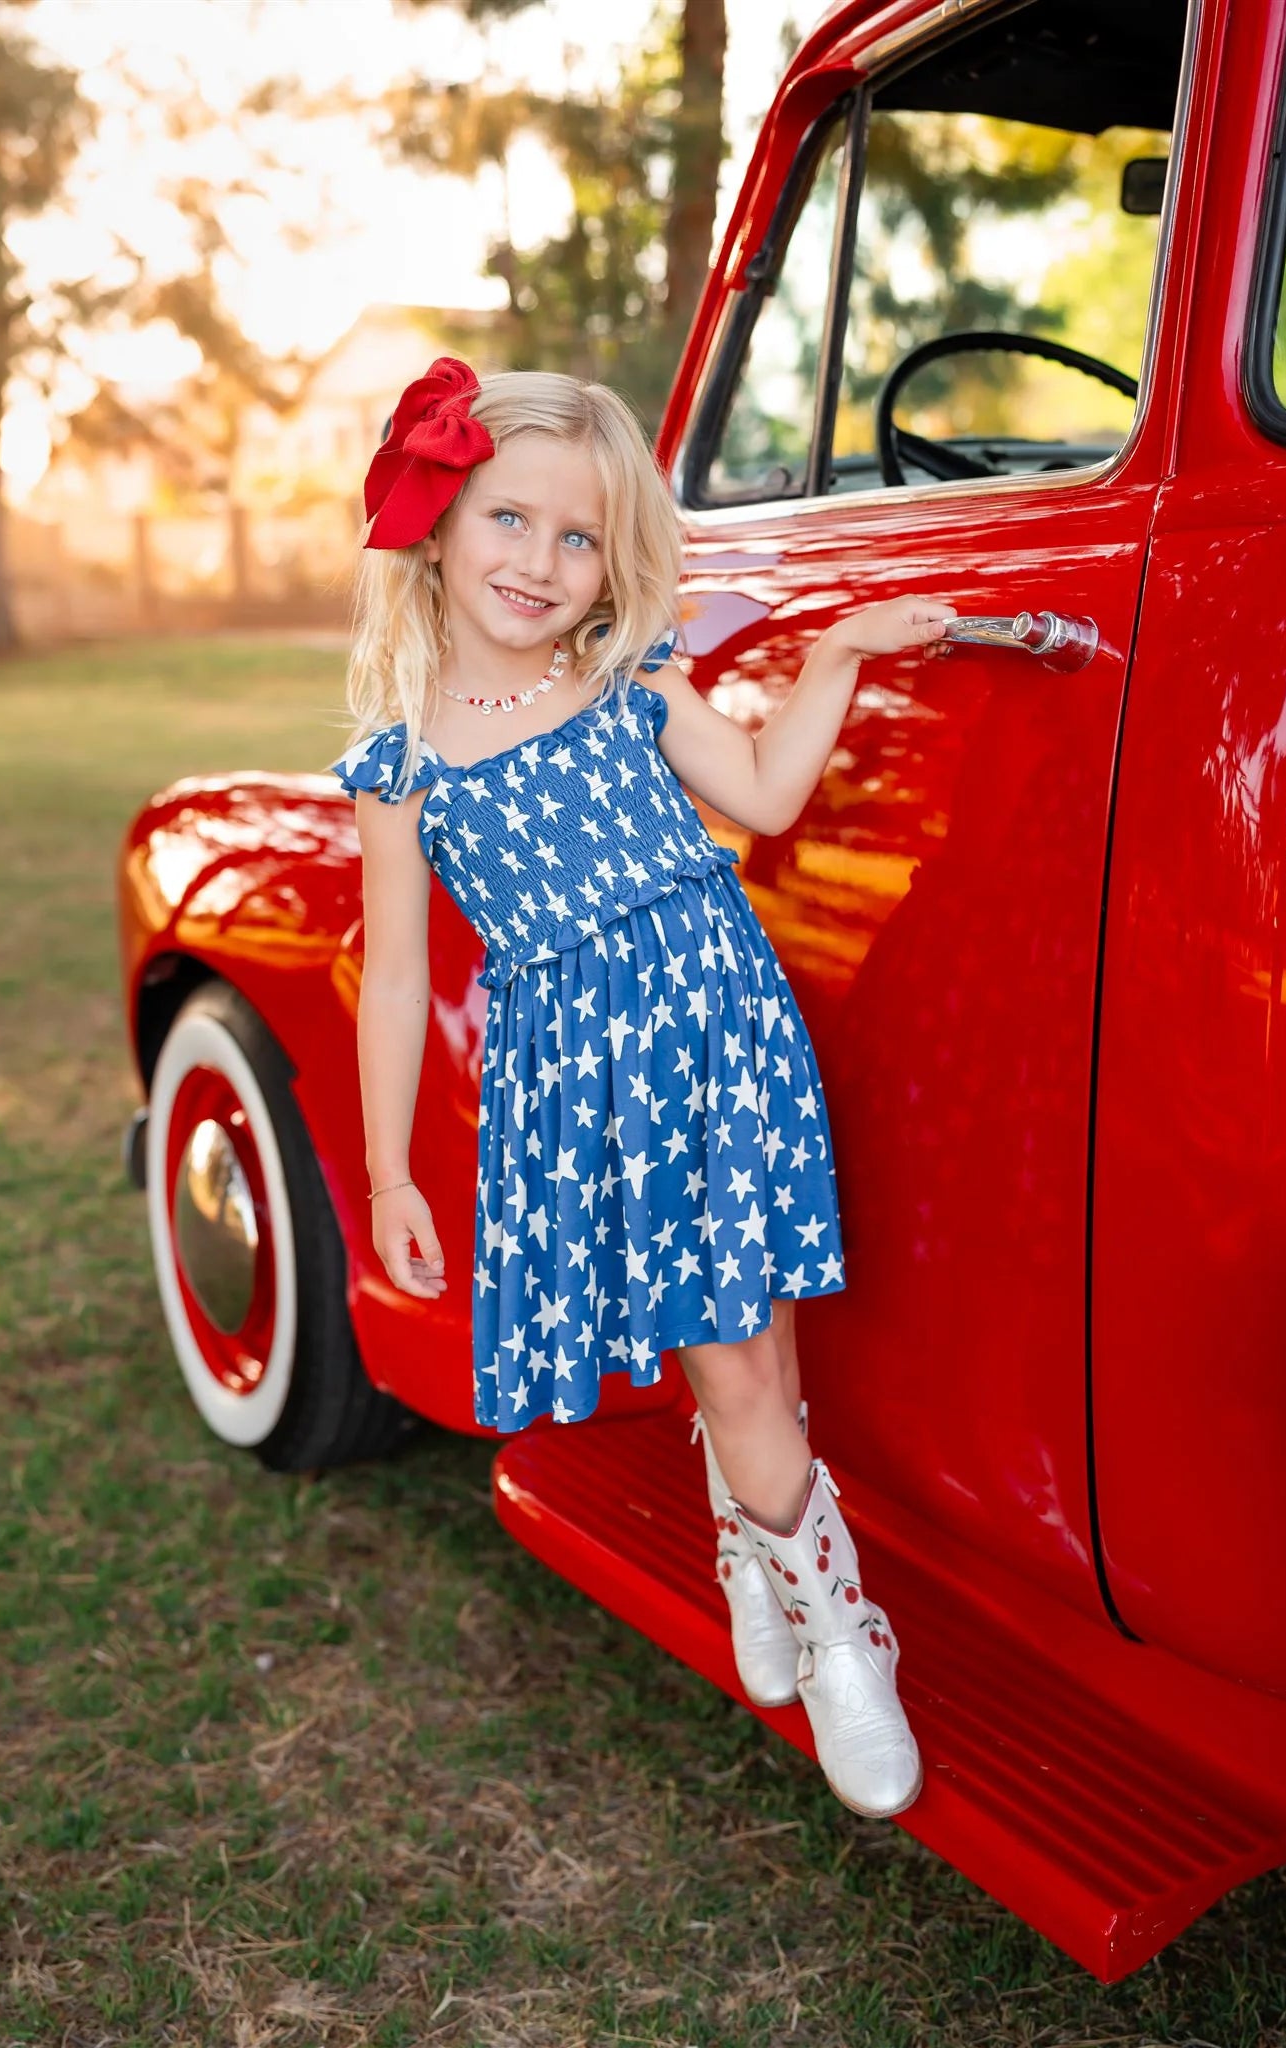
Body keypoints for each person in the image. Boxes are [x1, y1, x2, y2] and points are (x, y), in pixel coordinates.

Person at [333, 355, 954, 1820]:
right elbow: (402, 977)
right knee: (731, 1354)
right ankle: (810, 1594)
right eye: (508, 518)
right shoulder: (403, 767)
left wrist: (837, 659)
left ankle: (795, 1585)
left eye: (579, 535)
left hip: (720, 1030)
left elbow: (762, 796)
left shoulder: (626, 683)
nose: (540, 562)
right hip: (585, 1082)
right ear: (435, 522)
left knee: (754, 1354)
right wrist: (388, 1176)